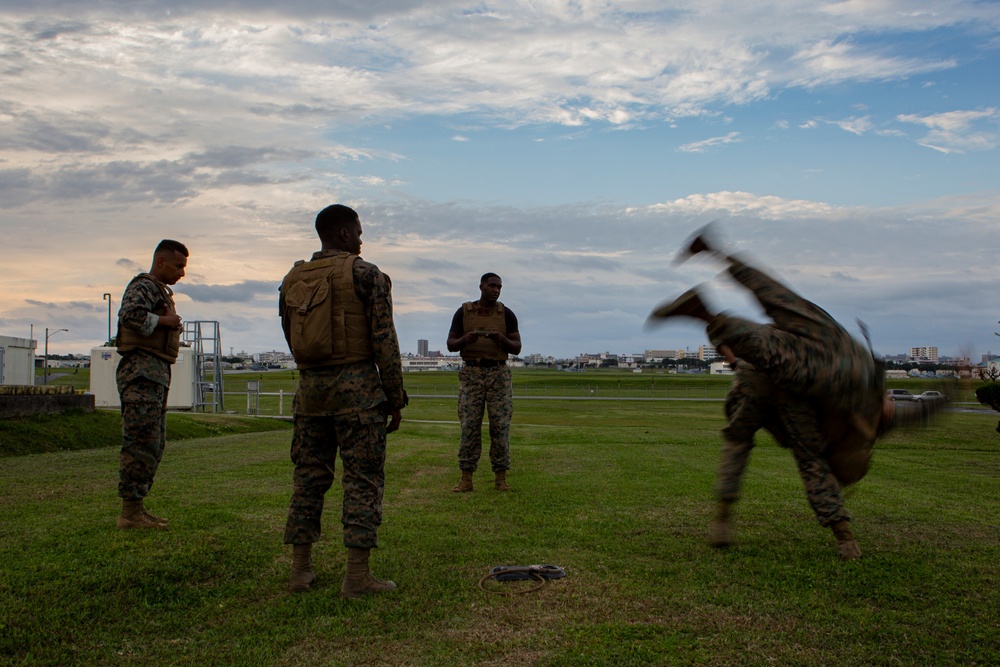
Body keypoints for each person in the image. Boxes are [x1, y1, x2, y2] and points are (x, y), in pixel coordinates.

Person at [649, 227, 894, 559]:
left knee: (777, 307)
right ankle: (843, 537)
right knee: (799, 441)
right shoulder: (854, 414)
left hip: (817, 362)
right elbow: (814, 460)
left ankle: (711, 277)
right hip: (824, 367)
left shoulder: (852, 409)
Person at [279, 204, 407, 598]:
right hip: (358, 394)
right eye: (359, 231)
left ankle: (301, 570)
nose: (362, 239)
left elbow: (290, 334)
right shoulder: (365, 273)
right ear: (345, 233)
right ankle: (357, 576)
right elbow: (384, 339)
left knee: (308, 479)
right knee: (363, 480)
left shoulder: (292, 278)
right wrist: (394, 395)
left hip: (310, 394)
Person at [115, 239, 188, 530]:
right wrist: (165, 322)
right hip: (140, 374)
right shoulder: (142, 286)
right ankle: (129, 513)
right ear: (160, 262)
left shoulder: (158, 291)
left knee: (152, 443)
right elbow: (130, 316)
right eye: (178, 265)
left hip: (154, 373)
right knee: (140, 441)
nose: (182, 273)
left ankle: (137, 508)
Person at [447, 273, 521, 492]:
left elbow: (517, 347)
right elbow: (451, 344)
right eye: (492, 286)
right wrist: (465, 340)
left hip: (498, 374)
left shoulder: (506, 314)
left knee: (500, 427)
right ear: (481, 286)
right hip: (472, 374)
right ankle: (466, 478)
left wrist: (502, 339)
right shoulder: (463, 312)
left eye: (499, 286)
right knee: (469, 426)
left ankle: (500, 478)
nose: (496, 290)